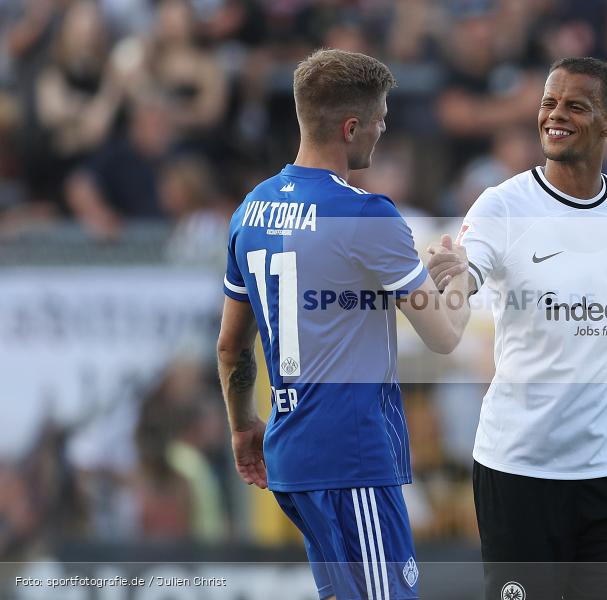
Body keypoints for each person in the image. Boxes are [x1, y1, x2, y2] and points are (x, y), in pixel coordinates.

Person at [427, 57, 607, 599]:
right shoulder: (503, 205)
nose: (555, 116)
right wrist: (455, 277)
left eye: (575, 105)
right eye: (548, 104)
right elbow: (467, 271)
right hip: (518, 470)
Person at [215, 49, 470, 600]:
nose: (382, 131)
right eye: (379, 120)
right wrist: (459, 281)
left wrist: (242, 428)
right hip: (353, 456)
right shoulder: (366, 214)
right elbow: (444, 336)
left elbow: (232, 348)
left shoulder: (250, 210)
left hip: (291, 458)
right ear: (351, 127)